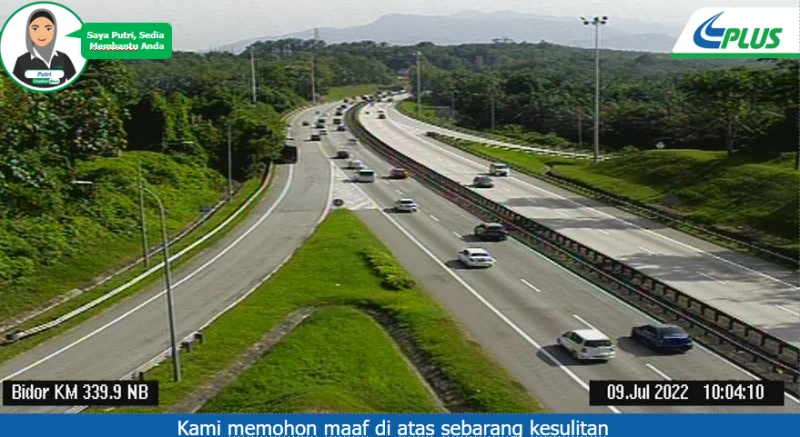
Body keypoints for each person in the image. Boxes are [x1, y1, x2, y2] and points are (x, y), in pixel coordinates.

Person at [12, 8, 76, 88]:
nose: (41, 34)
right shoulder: (21, 61)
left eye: (48, 29)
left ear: (54, 30)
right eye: (35, 29)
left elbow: (75, 82)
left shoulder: (64, 58)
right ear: (28, 31)